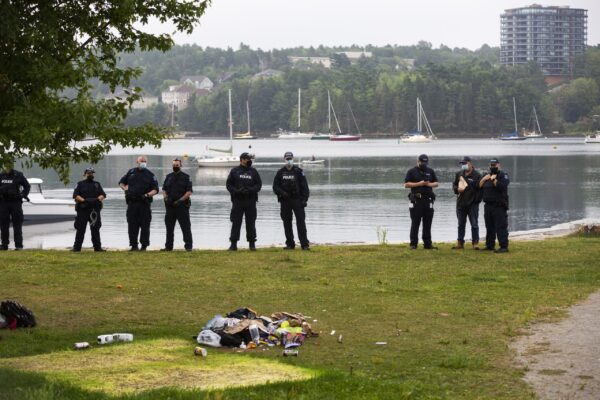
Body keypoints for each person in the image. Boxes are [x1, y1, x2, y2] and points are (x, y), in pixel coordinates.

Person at [119, 156, 159, 251]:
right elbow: (121, 182)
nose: (143, 163)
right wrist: (125, 189)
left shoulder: (150, 175)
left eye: (145, 161)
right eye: (142, 161)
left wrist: (147, 195)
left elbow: (156, 190)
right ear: (137, 161)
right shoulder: (131, 172)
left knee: (145, 226)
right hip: (132, 203)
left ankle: (144, 246)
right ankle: (133, 245)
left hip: (144, 203)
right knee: (132, 225)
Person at [273, 151, 310, 250]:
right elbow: (275, 187)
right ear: (284, 159)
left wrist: (304, 199)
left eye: (290, 159)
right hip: (285, 201)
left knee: (301, 222)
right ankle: (290, 244)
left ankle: (304, 244)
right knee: (287, 222)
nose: (289, 160)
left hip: (297, 200)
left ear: (293, 159)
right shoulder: (280, 172)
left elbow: (305, 187)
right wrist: (282, 193)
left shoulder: (298, 171)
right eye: (287, 159)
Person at [226, 152, 262, 251]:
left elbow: (258, 185)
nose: (249, 160)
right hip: (238, 200)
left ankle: (252, 244)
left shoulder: (253, 171)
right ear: (241, 159)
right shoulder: (234, 171)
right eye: (247, 159)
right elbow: (229, 185)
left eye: (249, 159)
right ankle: (233, 244)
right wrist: (236, 191)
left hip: (250, 200)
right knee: (236, 222)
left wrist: (250, 190)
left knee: (251, 222)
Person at [404, 154, 439, 250]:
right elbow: (406, 184)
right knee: (415, 223)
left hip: (428, 201)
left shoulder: (430, 171)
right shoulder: (412, 171)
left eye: (425, 162)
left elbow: (436, 183)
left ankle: (427, 244)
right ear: (418, 161)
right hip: (416, 200)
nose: (424, 164)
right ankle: (413, 244)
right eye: (422, 162)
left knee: (427, 223)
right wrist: (419, 183)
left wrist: (428, 184)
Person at [479, 158, 510, 253]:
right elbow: (479, 186)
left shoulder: (503, 175)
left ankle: (504, 246)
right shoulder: (486, 175)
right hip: (488, 205)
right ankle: (489, 245)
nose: (493, 167)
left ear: (498, 165)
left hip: (499, 205)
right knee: (489, 226)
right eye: (491, 165)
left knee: (501, 226)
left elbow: (502, 187)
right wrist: (484, 179)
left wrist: (494, 180)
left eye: (495, 165)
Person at [161, 158, 193, 251]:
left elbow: (189, 191)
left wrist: (180, 200)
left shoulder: (186, 177)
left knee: (186, 227)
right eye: (174, 165)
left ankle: (188, 247)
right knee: (169, 228)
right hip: (170, 206)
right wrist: (165, 198)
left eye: (177, 165)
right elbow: (164, 189)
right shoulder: (168, 176)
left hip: (182, 206)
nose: (175, 167)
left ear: (180, 165)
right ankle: (168, 247)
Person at [72, 167, 106, 252]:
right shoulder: (80, 184)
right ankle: (77, 248)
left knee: (95, 230)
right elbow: (75, 195)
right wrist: (85, 200)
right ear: (85, 174)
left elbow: (103, 195)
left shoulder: (97, 184)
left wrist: (97, 200)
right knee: (80, 229)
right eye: (88, 173)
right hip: (83, 210)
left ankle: (97, 248)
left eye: (91, 173)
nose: (90, 174)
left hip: (94, 210)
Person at [451, 156, 482, 250]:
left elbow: (480, 190)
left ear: (470, 163)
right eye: (462, 164)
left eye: (465, 163)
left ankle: (475, 243)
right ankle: (460, 242)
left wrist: (476, 201)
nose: (463, 165)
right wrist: (457, 189)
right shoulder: (459, 174)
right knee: (461, 224)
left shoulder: (477, 175)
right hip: (461, 204)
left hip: (472, 204)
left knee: (474, 224)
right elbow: (454, 185)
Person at [0, 162, 31, 250]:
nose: (7, 167)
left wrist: (23, 195)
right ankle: (4, 245)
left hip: (15, 202)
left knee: (17, 224)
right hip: (3, 203)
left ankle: (18, 245)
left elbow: (27, 186)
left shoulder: (18, 175)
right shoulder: (1, 175)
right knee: (3, 224)